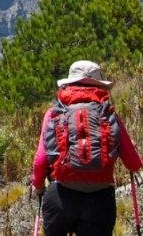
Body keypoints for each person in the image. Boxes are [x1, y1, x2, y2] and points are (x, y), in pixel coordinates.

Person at [32, 60, 142, 235]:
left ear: (69, 84)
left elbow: (40, 161)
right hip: (99, 201)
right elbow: (133, 163)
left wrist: (38, 186)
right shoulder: (109, 114)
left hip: (61, 196)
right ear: (99, 86)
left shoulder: (53, 114)